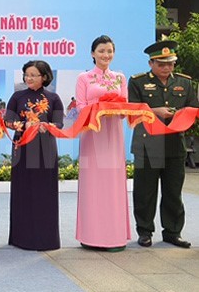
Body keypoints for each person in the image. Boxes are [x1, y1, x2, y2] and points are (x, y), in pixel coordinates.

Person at [128, 40, 198, 248]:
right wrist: (154, 112)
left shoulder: (185, 83)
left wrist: (181, 116)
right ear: (151, 63)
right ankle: (145, 231)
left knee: (173, 191)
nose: (166, 67)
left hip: (175, 145)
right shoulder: (137, 82)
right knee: (145, 191)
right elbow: (132, 111)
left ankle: (173, 232)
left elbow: (192, 108)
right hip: (147, 145)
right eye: (161, 63)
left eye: (170, 63)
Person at [74, 35, 131, 251]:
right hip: (92, 134)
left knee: (113, 184)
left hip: (114, 135)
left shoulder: (120, 78)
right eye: (101, 51)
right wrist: (100, 108)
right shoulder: (84, 78)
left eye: (109, 51)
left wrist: (115, 108)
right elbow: (80, 107)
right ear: (92, 54)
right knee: (93, 184)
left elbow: (125, 107)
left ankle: (114, 236)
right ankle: (91, 236)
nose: (105, 55)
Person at [4, 60, 63, 251]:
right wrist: (21, 125)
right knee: (23, 191)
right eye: (26, 75)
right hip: (23, 148)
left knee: (45, 192)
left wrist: (47, 127)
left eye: (33, 75)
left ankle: (46, 239)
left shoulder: (54, 98)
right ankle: (22, 238)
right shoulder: (17, 96)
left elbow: (59, 123)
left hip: (45, 149)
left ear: (44, 77)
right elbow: (8, 120)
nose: (28, 78)